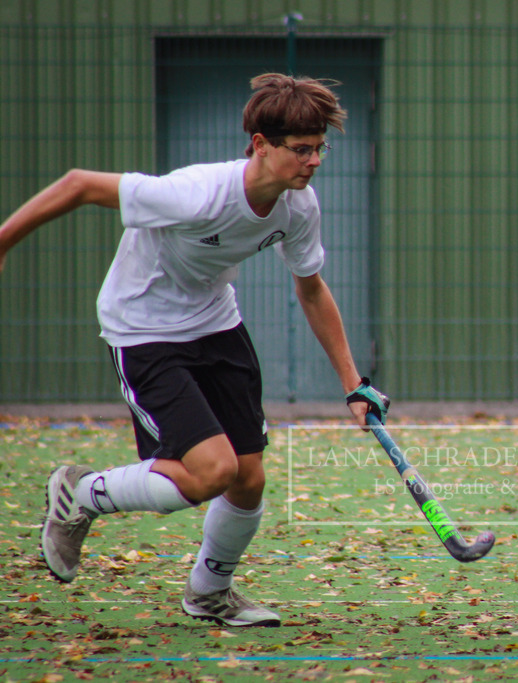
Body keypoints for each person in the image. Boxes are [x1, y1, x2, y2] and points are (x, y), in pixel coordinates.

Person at [0, 73, 389, 626]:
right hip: (144, 328)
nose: (315, 161)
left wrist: (354, 384)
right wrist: (4, 242)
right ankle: (81, 493)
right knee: (211, 472)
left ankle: (208, 594)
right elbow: (77, 184)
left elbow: (311, 288)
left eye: (320, 148)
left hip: (215, 324)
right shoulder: (196, 194)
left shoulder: (298, 207)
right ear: (260, 145)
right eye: (301, 150)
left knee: (249, 478)